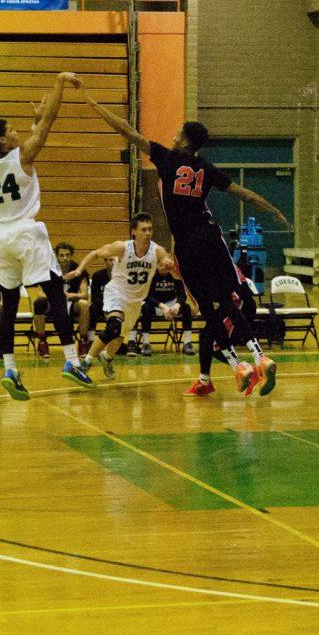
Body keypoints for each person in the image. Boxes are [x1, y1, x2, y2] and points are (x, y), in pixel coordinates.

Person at [80, 80, 289, 400]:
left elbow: (128, 132)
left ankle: (237, 366)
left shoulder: (166, 158)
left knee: (208, 308)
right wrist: (274, 210)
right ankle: (258, 356)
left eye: (178, 132)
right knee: (227, 303)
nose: (174, 134)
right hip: (210, 236)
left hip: (188, 245)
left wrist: (96, 107)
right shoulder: (205, 168)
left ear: (184, 140)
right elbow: (241, 193)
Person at [0, 71, 93, 399]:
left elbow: (25, 144)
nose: (15, 132)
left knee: (11, 303)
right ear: (2, 140)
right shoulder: (24, 156)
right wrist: (59, 83)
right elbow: (48, 126)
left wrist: (33, 122)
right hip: (25, 233)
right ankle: (71, 361)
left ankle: (10, 369)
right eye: (10, 130)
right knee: (55, 295)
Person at [68, 213, 172, 380]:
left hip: (135, 301)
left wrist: (167, 264)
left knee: (118, 339)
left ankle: (107, 358)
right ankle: (84, 365)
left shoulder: (156, 250)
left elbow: (166, 260)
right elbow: (95, 253)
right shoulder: (122, 247)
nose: (148, 233)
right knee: (114, 325)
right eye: (143, 229)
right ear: (134, 232)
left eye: (150, 229)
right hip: (116, 292)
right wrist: (79, 270)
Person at [31, 242, 90, 357]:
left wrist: (73, 295)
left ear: (71, 255)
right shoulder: (48, 271)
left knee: (84, 304)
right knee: (39, 303)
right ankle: (42, 341)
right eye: (61, 255)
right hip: (53, 303)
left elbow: (84, 294)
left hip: (72, 302)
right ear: (56, 256)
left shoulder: (78, 270)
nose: (65, 258)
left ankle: (83, 341)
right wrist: (57, 295)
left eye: (67, 255)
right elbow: (41, 293)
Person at [134, 274, 195, 356]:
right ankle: (146, 343)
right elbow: (148, 296)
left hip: (171, 303)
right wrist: (162, 306)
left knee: (186, 307)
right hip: (156, 304)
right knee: (146, 308)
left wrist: (177, 304)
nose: (167, 264)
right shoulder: (152, 274)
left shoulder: (175, 274)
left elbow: (182, 295)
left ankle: (187, 343)